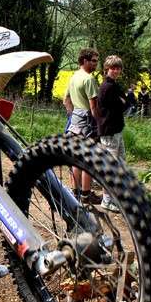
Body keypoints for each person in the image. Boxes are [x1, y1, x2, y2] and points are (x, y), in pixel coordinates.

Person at [63, 48, 102, 205]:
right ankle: (86, 196)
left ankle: (75, 193)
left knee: (76, 159)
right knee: (89, 161)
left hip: (75, 123)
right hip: (88, 124)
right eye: (93, 61)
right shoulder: (88, 79)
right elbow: (94, 108)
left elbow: (65, 99)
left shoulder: (73, 77)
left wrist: (73, 115)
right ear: (85, 61)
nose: (96, 64)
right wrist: (101, 124)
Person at [97, 55, 127, 212]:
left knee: (120, 164)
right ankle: (107, 201)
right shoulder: (107, 87)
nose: (115, 71)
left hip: (116, 130)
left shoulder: (114, 85)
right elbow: (120, 104)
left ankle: (116, 198)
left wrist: (123, 101)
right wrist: (122, 101)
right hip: (109, 132)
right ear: (106, 69)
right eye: (112, 68)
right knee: (110, 166)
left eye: (118, 68)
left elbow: (127, 102)